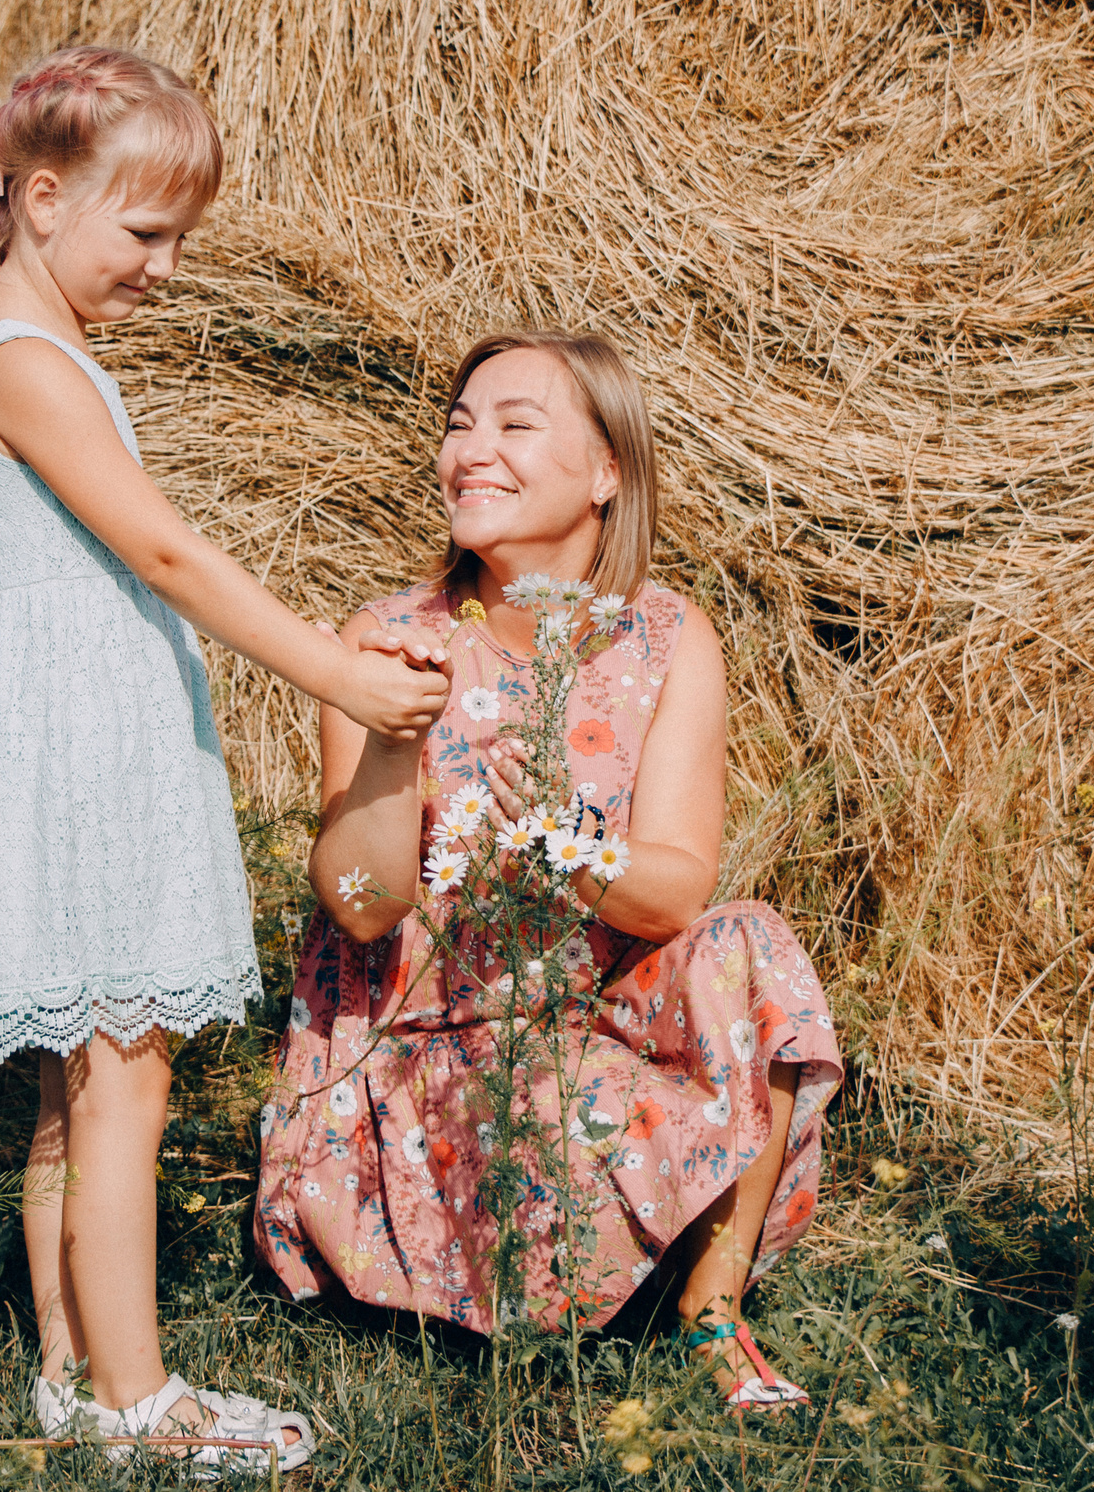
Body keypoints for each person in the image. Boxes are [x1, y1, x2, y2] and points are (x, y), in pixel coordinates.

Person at [0, 45, 449, 1467]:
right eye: (146, 232)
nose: (165, 268)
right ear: (43, 200)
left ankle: (71, 1372)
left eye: (180, 240)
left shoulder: (26, 353)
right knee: (127, 1076)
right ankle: (141, 1403)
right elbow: (166, 552)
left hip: (64, 733)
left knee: (78, 1080)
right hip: (82, 751)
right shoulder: (27, 365)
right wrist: (336, 668)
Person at [255, 331, 844, 1410]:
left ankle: (711, 1312)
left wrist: (562, 842)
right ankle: (604, 1246)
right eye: (458, 426)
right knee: (536, 1112)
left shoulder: (667, 637)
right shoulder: (388, 636)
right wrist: (392, 742)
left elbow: (675, 892)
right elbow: (360, 908)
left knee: (751, 942)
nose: (470, 450)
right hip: (429, 1040)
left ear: (607, 471)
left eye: (515, 425)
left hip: (593, 1022)